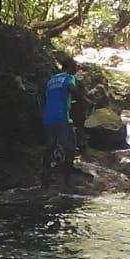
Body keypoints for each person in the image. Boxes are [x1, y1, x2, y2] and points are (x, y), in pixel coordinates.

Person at [41, 57, 82, 187]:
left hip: (48, 116)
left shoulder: (51, 80)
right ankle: (66, 179)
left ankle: (44, 177)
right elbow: (72, 89)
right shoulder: (68, 77)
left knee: (50, 146)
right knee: (70, 147)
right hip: (62, 117)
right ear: (70, 67)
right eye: (75, 67)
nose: (76, 69)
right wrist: (81, 97)